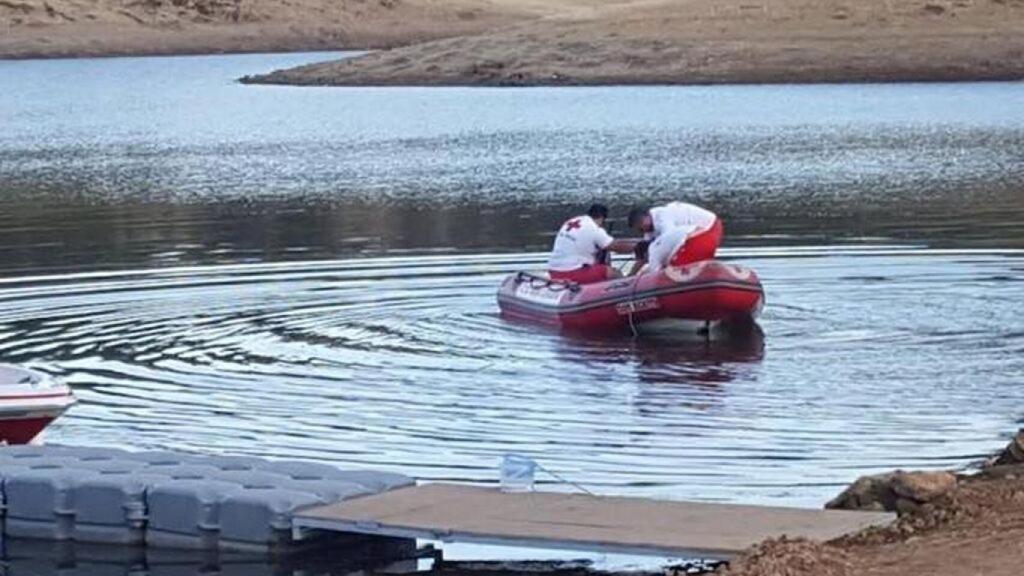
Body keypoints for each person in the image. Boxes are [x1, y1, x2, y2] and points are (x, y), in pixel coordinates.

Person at [547, 204, 637, 284]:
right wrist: (636, 247)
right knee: (613, 272)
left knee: (595, 265)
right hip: (571, 272)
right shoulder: (594, 228)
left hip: (553, 271)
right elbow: (615, 247)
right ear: (602, 218)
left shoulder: (572, 221)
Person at [627, 201, 723, 273]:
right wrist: (630, 275)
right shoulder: (649, 229)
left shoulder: (663, 218)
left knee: (677, 267)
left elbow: (668, 242)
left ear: (648, 215)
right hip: (693, 233)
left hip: (708, 227)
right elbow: (644, 254)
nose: (641, 228)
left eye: (641, 223)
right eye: (638, 228)